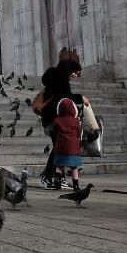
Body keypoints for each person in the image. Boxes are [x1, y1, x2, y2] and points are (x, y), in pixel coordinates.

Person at [38, 56, 84, 189]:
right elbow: (66, 98)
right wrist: (81, 98)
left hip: (51, 119)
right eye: (74, 72)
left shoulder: (55, 79)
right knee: (58, 149)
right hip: (55, 119)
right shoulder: (61, 81)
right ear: (68, 70)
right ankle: (46, 177)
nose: (75, 75)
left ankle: (60, 178)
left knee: (60, 149)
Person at [52, 98, 82, 190]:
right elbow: (78, 132)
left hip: (61, 147)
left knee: (59, 165)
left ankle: (57, 181)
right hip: (73, 148)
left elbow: (54, 132)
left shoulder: (57, 120)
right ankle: (76, 185)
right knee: (74, 167)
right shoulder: (75, 121)